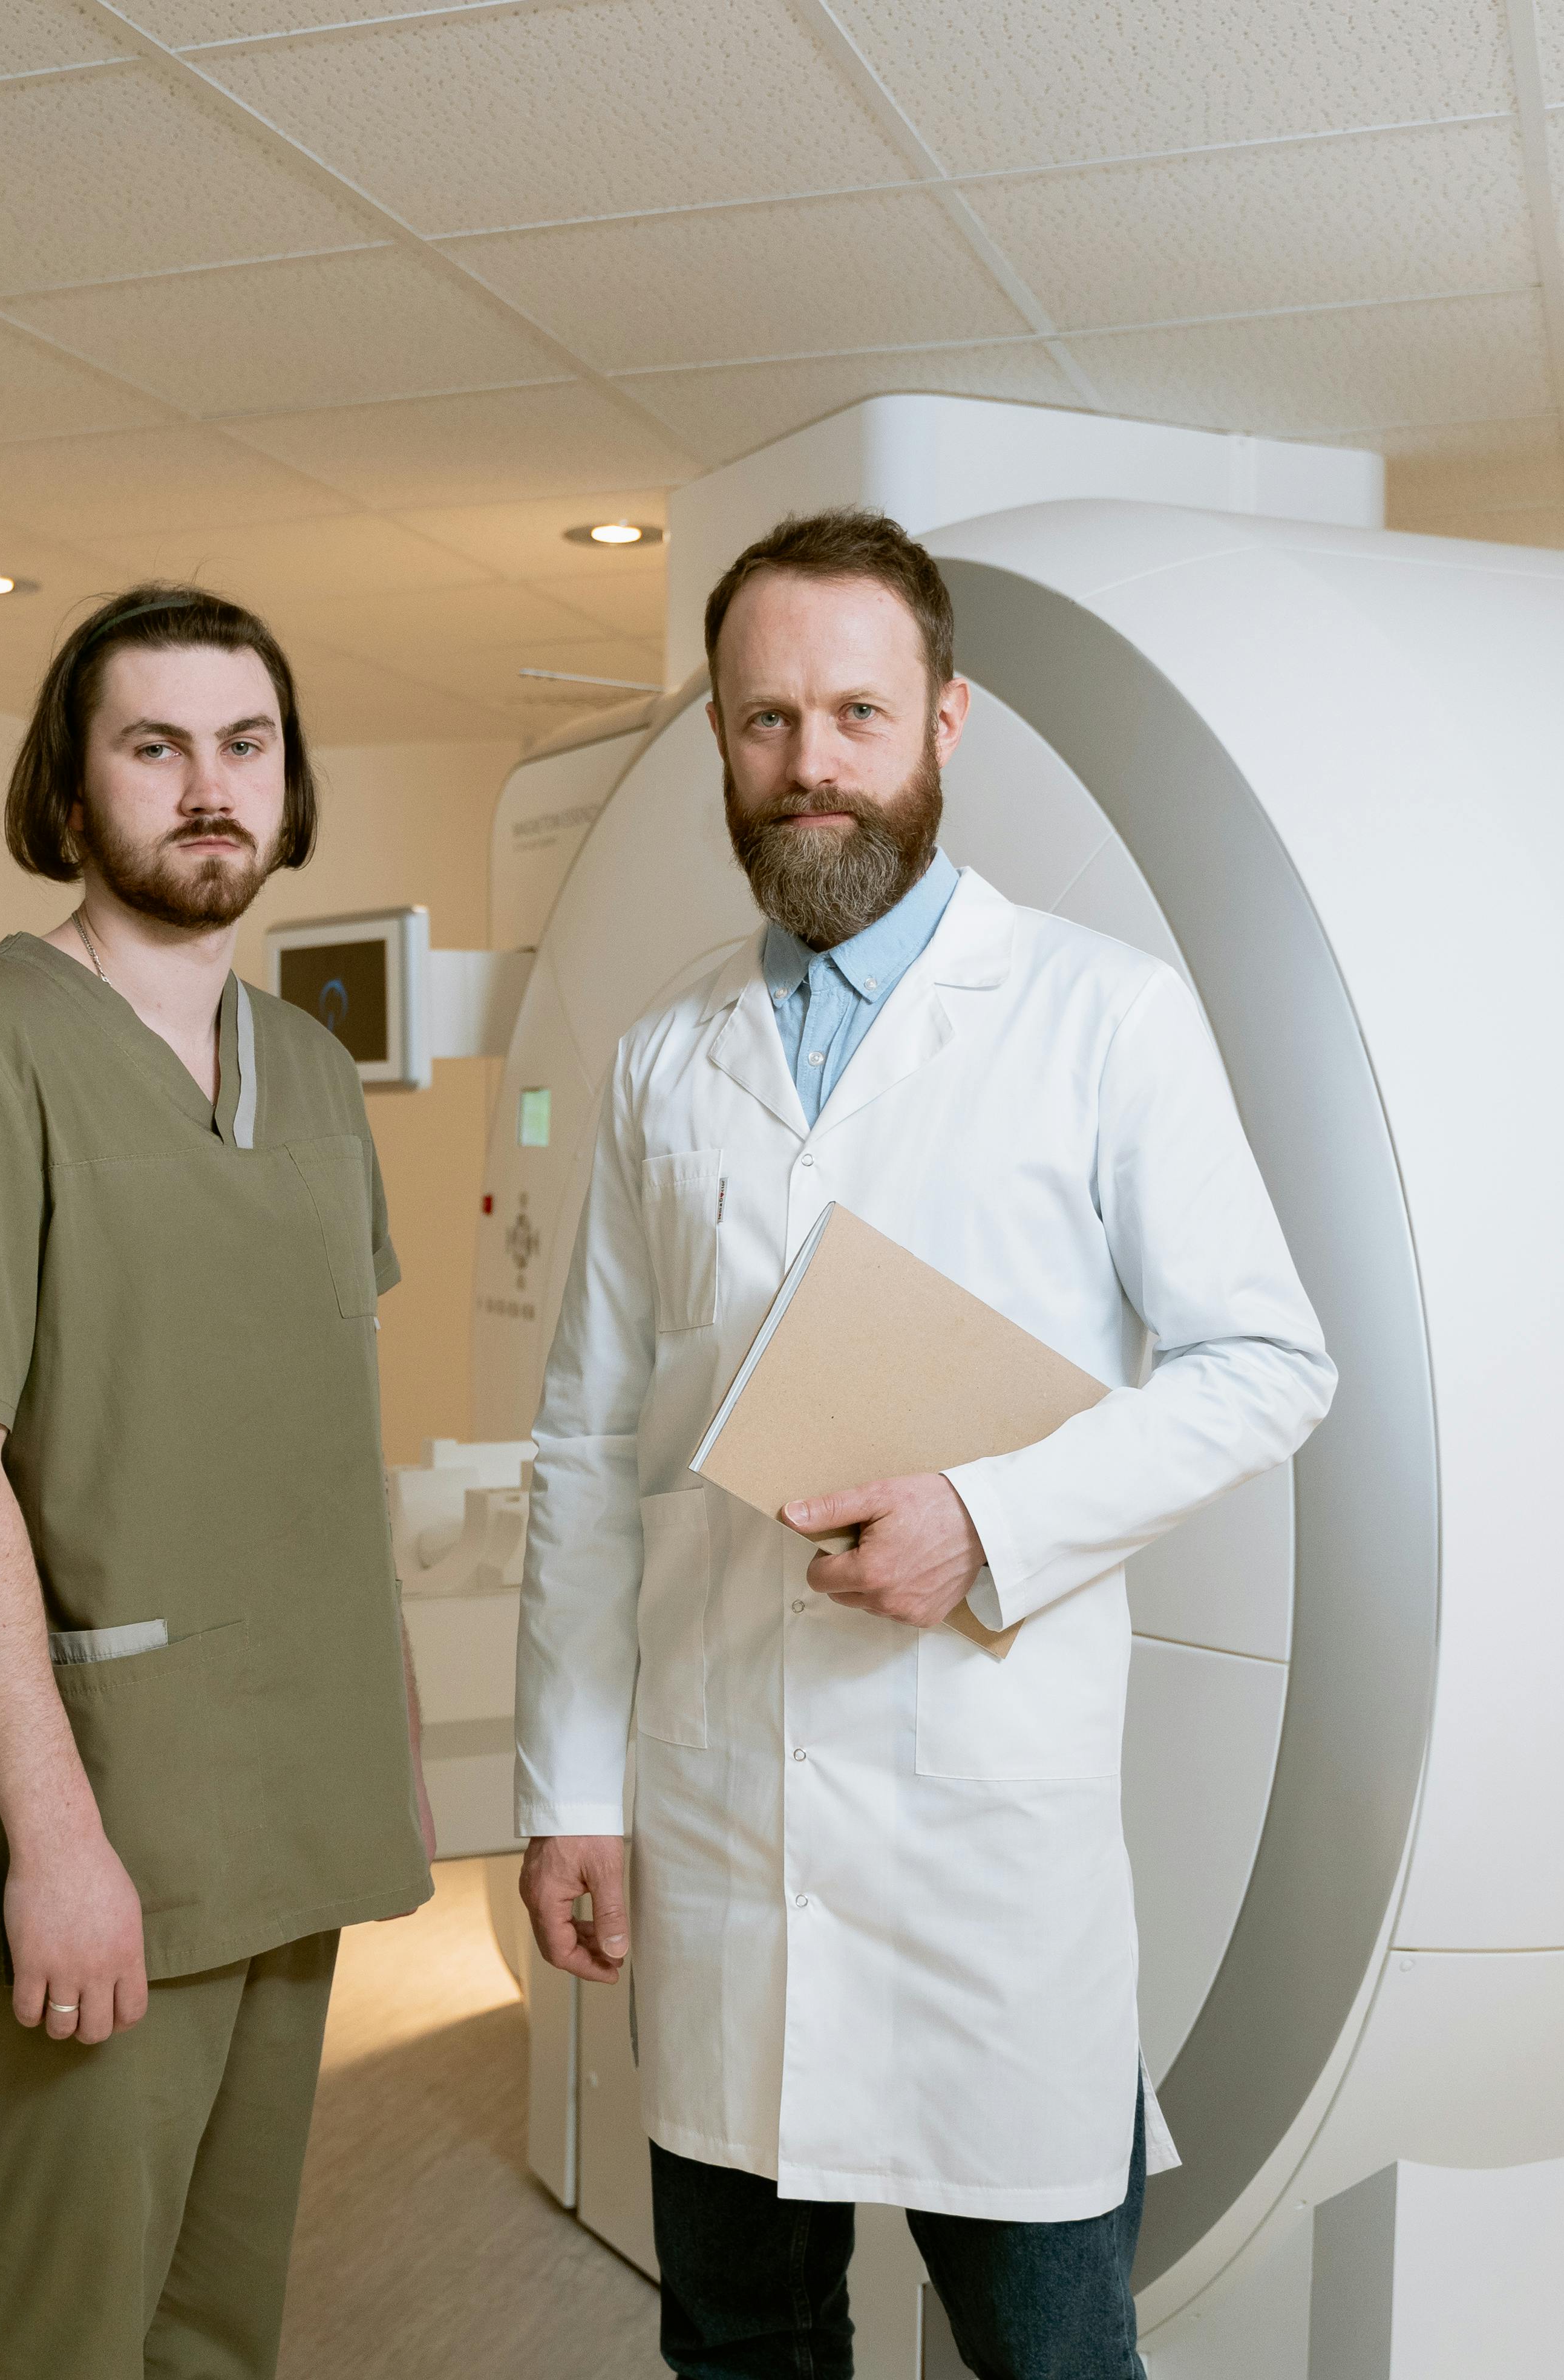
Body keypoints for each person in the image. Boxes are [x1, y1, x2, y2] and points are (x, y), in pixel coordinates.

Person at [514, 511, 1336, 2380]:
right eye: (766, 721)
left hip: (988, 1833)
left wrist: (991, 1515)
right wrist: (573, 1785)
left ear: (946, 722)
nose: (812, 766)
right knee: (738, 2344)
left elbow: (1268, 1360)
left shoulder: (1100, 1018)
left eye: (858, 715)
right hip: (726, 1818)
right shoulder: (663, 1062)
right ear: (722, 740)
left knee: (1049, 2354)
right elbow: (586, 1449)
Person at [0, 581, 434, 2379]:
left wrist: (389, 1727)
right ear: (71, 786)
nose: (208, 787)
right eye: (155, 746)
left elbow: (325, 1439)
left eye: (244, 747)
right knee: (59, 2336)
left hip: (294, 1812)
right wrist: (58, 1843)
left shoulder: (318, 1077)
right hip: (108, 1820)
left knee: (214, 2330)